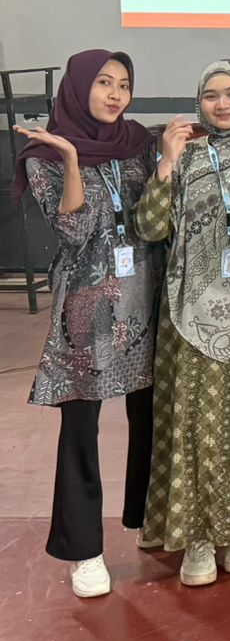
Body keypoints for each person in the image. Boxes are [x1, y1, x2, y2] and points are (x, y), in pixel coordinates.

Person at [134, 58, 230, 587]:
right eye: (210, 95)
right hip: (189, 312)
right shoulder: (188, 156)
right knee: (194, 422)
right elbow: (151, 227)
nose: (222, 104)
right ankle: (197, 536)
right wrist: (165, 163)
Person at [15, 49, 158, 599]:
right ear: (78, 87)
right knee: (82, 428)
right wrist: (73, 160)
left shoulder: (138, 144)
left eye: (124, 83)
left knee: (151, 415)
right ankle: (85, 551)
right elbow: (73, 231)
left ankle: (148, 518)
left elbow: (154, 214)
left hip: (145, 297)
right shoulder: (45, 154)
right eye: (103, 82)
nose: (116, 94)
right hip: (86, 308)